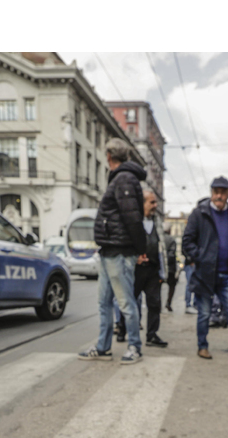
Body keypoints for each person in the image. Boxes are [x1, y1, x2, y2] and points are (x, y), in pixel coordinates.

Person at [80, 138, 146, 364]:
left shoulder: (124, 179)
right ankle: (103, 347)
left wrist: (141, 249)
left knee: (126, 302)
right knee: (104, 302)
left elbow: (133, 218)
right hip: (109, 251)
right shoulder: (120, 179)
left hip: (120, 252)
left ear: (109, 155)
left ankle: (135, 347)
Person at [181, 176, 228, 362]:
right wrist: (200, 257)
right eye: (216, 191)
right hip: (205, 274)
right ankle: (202, 347)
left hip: (226, 274)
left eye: (223, 192)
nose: (219, 195)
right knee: (205, 313)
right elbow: (187, 241)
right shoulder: (199, 213)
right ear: (211, 192)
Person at [117, 190, 167, 347]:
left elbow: (161, 247)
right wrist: (134, 256)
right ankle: (122, 330)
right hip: (135, 270)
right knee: (129, 301)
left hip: (152, 270)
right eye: (152, 202)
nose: (155, 205)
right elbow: (124, 243)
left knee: (154, 303)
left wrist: (162, 272)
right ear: (142, 203)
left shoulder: (156, 221)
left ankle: (151, 335)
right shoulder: (132, 221)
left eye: (155, 202)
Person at [164, 224, 179, 312]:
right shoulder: (171, 240)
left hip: (160, 267)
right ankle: (168, 302)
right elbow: (172, 254)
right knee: (172, 286)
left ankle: (158, 303)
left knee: (157, 286)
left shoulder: (159, 238)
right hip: (170, 268)